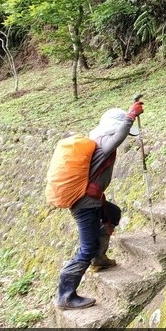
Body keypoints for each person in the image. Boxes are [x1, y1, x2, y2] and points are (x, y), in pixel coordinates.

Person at [56, 101, 143, 310]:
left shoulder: (96, 139)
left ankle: (100, 258)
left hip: (91, 200)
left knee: (113, 214)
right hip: (85, 204)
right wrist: (130, 116)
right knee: (86, 248)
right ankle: (65, 296)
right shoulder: (103, 141)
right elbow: (116, 140)